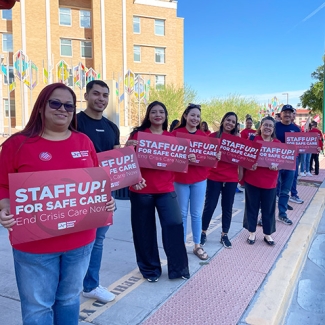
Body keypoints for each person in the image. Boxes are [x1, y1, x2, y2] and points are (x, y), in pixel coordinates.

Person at [0, 83, 115, 325]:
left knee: (69, 299)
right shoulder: (17, 144)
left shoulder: (83, 142)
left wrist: (105, 200)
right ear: (41, 106)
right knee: (38, 307)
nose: (62, 109)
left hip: (80, 241)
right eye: (55, 103)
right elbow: (3, 186)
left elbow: (96, 181)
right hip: (35, 246)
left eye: (69, 106)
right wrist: (4, 207)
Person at [126, 101, 190, 282]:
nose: (157, 115)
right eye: (153, 111)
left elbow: (180, 162)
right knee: (143, 231)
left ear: (165, 115)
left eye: (161, 111)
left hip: (166, 189)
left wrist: (189, 158)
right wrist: (127, 149)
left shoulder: (172, 137)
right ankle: (150, 270)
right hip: (141, 190)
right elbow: (126, 163)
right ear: (148, 115)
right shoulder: (138, 135)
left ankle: (178, 269)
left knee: (174, 225)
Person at [77, 80, 120, 303]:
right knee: (74, 240)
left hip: (104, 194)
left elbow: (117, 161)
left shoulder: (112, 127)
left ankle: (90, 285)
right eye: (96, 94)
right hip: (75, 192)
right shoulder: (74, 122)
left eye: (105, 95)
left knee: (98, 240)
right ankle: (69, 285)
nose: (101, 99)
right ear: (86, 95)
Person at [173, 104, 208, 260]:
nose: (195, 118)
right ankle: (180, 245)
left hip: (199, 179)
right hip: (181, 179)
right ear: (185, 116)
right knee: (182, 213)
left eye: (198, 116)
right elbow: (169, 156)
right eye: (192, 115)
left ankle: (197, 245)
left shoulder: (204, 136)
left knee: (196, 213)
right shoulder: (175, 134)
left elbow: (208, 158)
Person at [200, 112, 239, 249]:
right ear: (223, 121)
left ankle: (224, 234)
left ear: (235, 125)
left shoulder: (238, 140)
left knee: (227, 207)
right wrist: (213, 155)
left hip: (231, 178)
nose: (230, 123)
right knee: (210, 205)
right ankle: (203, 232)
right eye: (228, 120)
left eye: (233, 122)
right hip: (214, 176)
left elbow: (243, 159)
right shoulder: (212, 137)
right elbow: (204, 155)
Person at [243, 116, 279, 246]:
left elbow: (283, 162)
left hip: (270, 182)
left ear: (273, 129)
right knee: (251, 207)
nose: (268, 127)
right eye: (265, 125)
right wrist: (249, 164)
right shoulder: (252, 140)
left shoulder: (278, 144)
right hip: (252, 180)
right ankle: (251, 232)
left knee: (268, 209)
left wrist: (277, 166)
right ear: (261, 127)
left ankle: (267, 234)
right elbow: (245, 159)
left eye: (270, 125)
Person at [275, 104, 300, 225]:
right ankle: (265, 215)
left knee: (285, 191)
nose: (287, 114)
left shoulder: (296, 129)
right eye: (285, 112)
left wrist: (312, 149)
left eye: (290, 112)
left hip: (290, 165)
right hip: (275, 164)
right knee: (272, 190)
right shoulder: (274, 127)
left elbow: (302, 147)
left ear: (292, 115)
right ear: (281, 114)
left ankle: (282, 214)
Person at [288, 108, 304, 205]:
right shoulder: (277, 126)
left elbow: (302, 142)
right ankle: (277, 194)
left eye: (294, 114)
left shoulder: (297, 128)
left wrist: (313, 148)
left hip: (295, 157)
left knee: (294, 176)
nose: (293, 115)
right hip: (282, 158)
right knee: (280, 178)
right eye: (291, 113)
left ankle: (293, 194)